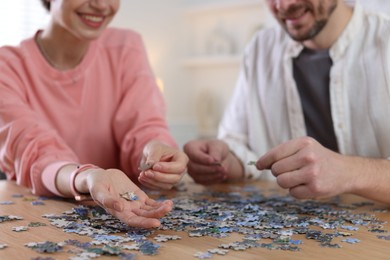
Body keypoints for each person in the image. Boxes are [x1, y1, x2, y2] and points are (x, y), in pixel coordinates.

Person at [0, 0, 188, 228]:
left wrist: (157, 155)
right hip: (40, 224)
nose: (100, 5)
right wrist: (86, 177)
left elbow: (144, 124)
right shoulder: (6, 68)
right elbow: (35, 152)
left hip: (124, 224)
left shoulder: (127, 46)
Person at [184, 0, 390, 203]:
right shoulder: (260, 49)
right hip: (286, 228)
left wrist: (348, 171)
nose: (283, 5)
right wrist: (222, 161)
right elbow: (240, 147)